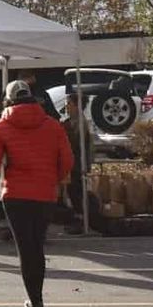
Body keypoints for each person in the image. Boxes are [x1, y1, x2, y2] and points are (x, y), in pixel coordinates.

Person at [0, 79, 73, 307]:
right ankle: (37, 300)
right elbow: (67, 161)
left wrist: (8, 166)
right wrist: (50, 177)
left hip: (14, 194)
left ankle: (36, 304)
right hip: (45, 192)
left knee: (25, 249)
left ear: (9, 100)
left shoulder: (1, 126)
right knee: (38, 245)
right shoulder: (52, 125)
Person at [62, 93, 93, 227]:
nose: (66, 107)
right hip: (72, 162)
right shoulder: (70, 121)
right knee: (71, 190)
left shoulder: (81, 123)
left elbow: (77, 144)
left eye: (69, 104)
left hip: (77, 163)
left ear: (77, 106)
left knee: (76, 191)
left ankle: (81, 219)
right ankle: (77, 217)